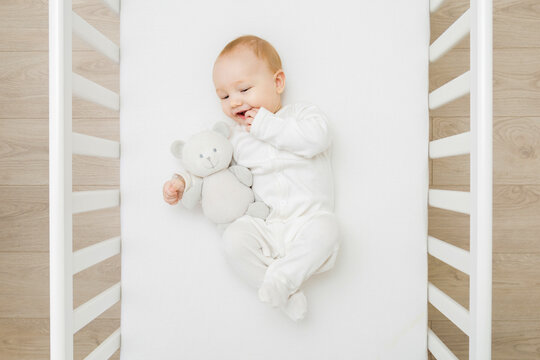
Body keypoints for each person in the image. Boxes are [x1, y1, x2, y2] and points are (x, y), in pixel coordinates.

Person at [162, 35, 340, 321]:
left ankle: (284, 277)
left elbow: (318, 139)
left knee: (328, 229)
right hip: (266, 226)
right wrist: (183, 182)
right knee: (233, 240)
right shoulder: (235, 137)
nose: (235, 102)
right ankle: (283, 290)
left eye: (244, 89)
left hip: (307, 221)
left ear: (278, 83)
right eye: (224, 96)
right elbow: (209, 164)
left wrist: (266, 126)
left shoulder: (301, 115)